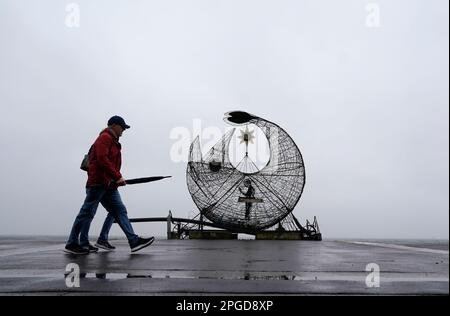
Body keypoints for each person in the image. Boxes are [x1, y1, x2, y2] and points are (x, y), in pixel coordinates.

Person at [64, 116, 154, 255]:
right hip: (98, 183)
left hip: (109, 185)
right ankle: (72, 243)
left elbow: (109, 162)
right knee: (87, 213)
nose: (124, 129)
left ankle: (133, 241)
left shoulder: (113, 141)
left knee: (119, 210)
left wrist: (115, 179)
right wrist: (117, 177)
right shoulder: (105, 138)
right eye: (122, 126)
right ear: (114, 125)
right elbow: (102, 159)